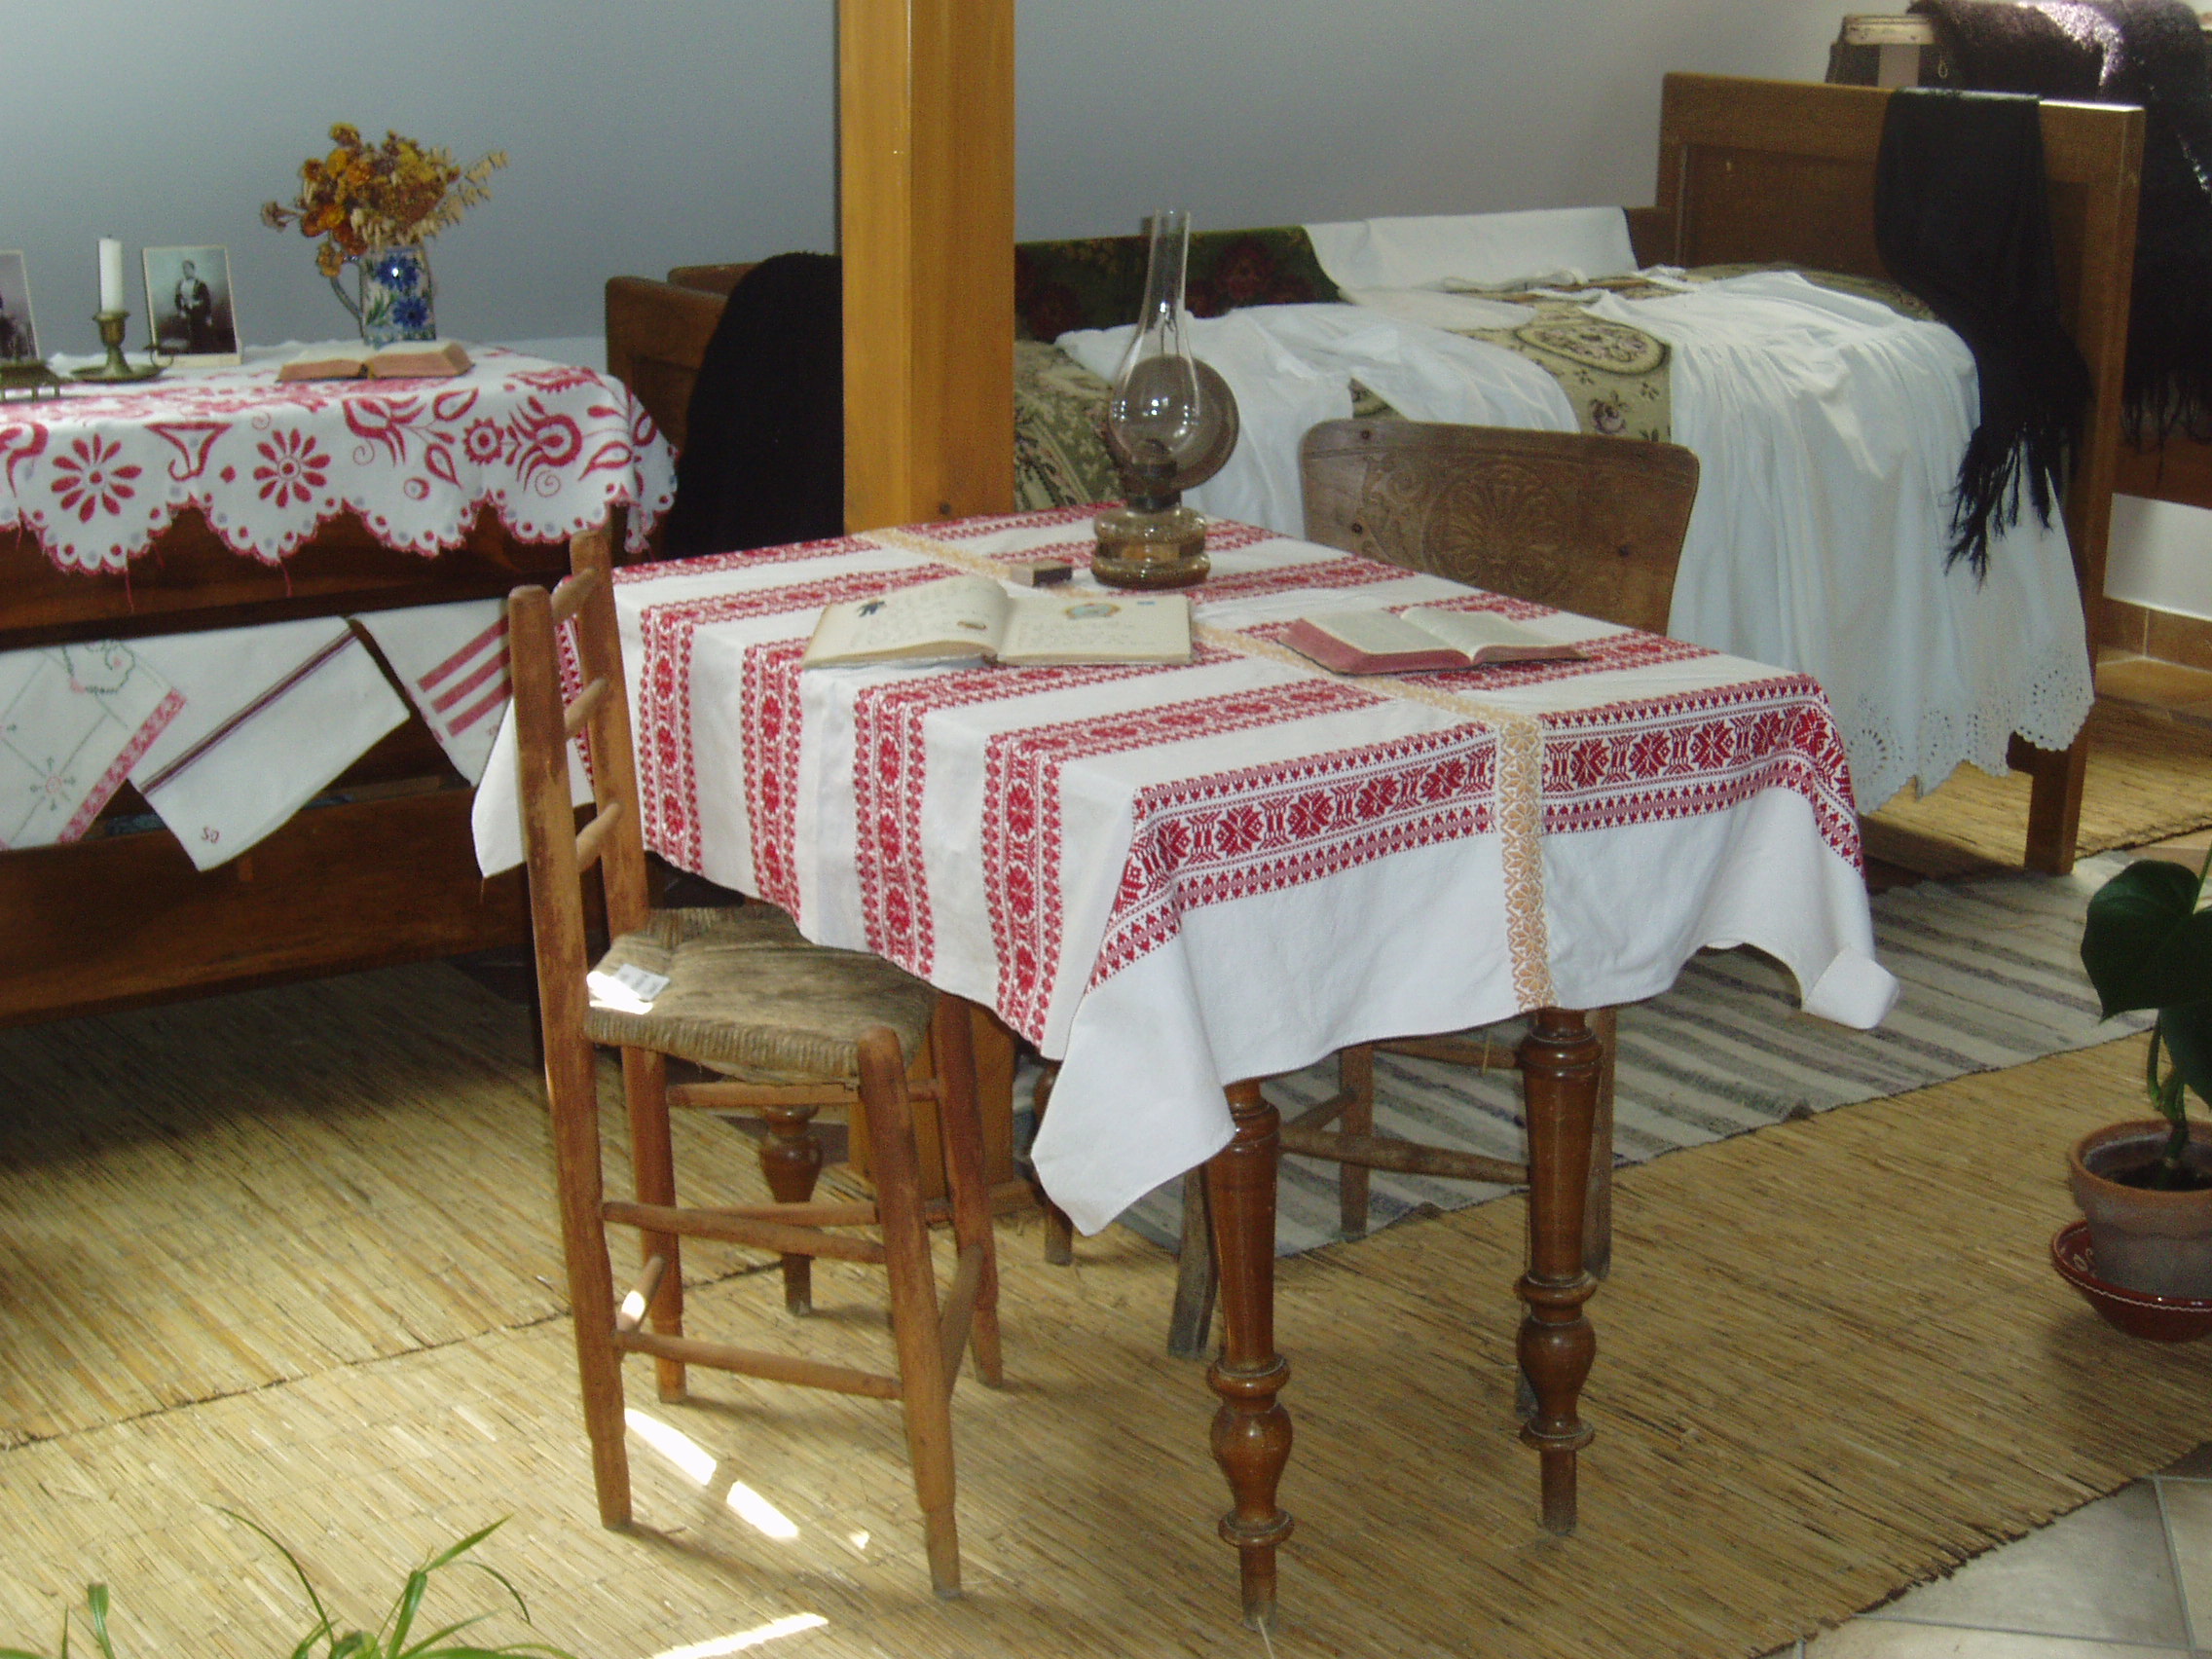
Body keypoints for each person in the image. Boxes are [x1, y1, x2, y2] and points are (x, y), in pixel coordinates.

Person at [172, 259, 216, 353]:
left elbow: (207, 301)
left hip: (199, 314)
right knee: (185, 337)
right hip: (186, 314)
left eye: (188, 268)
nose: (186, 271)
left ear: (193, 269)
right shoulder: (180, 284)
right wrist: (181, 311)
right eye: (184, 269)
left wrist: (208, 316)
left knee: (201, 337)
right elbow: (177, 300)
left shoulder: (201, 284)